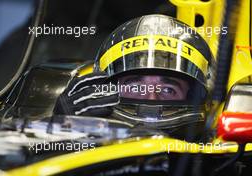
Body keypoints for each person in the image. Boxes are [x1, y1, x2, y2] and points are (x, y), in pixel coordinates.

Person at [54, 14, 215, 140]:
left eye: (167, 89)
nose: (151, 98)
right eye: (136, 87)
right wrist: (61, 133)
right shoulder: (81, 143)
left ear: (195, 95)